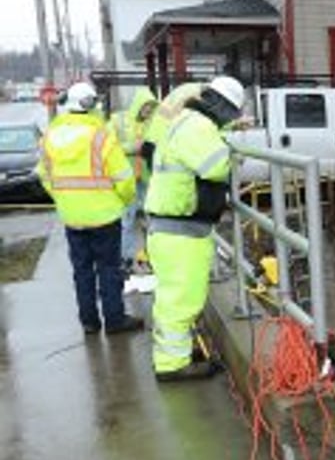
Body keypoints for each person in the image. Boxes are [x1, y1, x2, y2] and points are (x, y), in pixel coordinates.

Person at [144, 76, 245, 382]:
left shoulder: (188, 121)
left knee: (176, 296)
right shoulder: (199, 128)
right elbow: (216, 165)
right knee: (181, 299)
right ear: (223, 108)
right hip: (179, 230)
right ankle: (172, 366)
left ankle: (177, 353)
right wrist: (235, 155)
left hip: (173, 227)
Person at [37, 82, 145, 335]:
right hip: (104, 216)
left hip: (72, 217)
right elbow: (123, 178)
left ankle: (89, 322)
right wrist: (124, 200)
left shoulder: (50, 136)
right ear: (91, 105)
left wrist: (64, 199)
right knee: (109, 269)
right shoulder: (100, 136)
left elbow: (43, 175)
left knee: (81, 270)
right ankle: (115, 320)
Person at [109, 87, 159, 274]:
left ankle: (152, 258)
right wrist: (133, 147)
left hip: (147, 178)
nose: (148, 111)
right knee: (126, 221)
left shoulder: (153, 123)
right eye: (146, 107)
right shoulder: (118, 120)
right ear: (137, 105)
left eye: (151, 107)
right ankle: (126, 259)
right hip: (126, 180)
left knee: (152, 220)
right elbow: (108, 147)